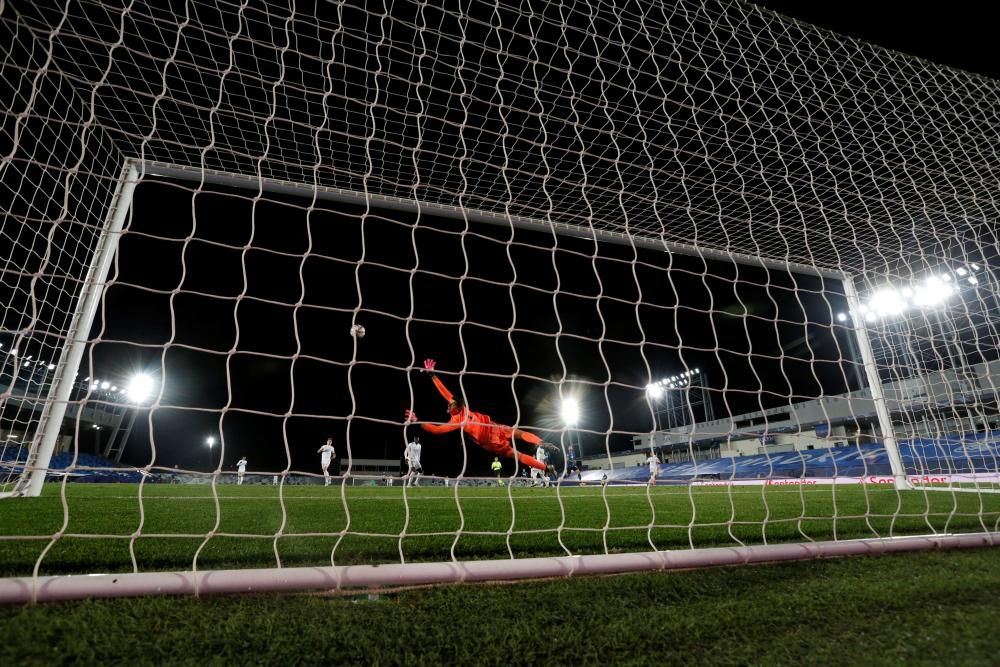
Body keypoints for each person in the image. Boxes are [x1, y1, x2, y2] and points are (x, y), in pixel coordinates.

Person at [405, 358, 556, 479]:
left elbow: (442, 405)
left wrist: (432, 375)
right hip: (490, 440)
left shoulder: (460, 415)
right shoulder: (458, 416)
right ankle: (545, 467)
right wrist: (418, 420)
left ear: (457, 407)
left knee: (518, 433)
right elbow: (438, 421)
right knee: (518, 454)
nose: (447, 407)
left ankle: (541, 443)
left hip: (493, 428)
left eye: (450, 405)